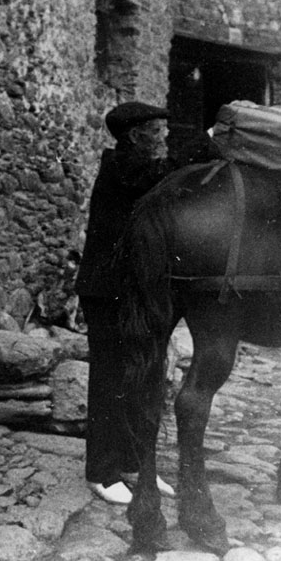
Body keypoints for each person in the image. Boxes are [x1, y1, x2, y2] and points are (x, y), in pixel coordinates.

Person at [75, 101, 218, 504]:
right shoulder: (123, 166)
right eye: (156, 131)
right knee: (109, 379)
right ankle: (101, 473)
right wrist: (206, 143)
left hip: (131, 290)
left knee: (140, 377)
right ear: (135, 136)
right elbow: (162, 173)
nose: (163, 137)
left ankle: (137, 466)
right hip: (107, 291)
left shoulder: (134, 166)